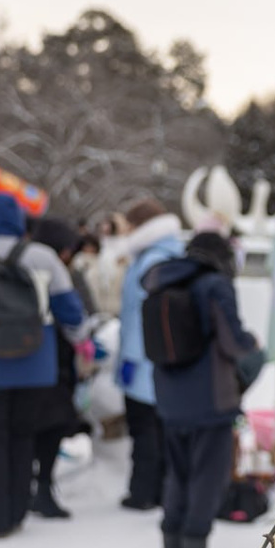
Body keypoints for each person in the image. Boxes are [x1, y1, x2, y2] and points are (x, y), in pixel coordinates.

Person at [0, 195, 85, 537]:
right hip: (34, 365)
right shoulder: (43, 257)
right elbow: (72, 315)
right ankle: (16, 512)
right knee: (21, 437)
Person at [144, 231, 263, 548]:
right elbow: (232, 341)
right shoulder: (214, 284)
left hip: (169, 395)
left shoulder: (163, 281)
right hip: (210, 396)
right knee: (208, 474)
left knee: (177, 473)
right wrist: (251, 342)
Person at [117, 199, 184, 510]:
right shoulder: (170, 254)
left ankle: (143, 492)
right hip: (164, 359)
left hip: (144, 360)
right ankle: (160, 489)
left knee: (144, 430)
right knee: (159, 429)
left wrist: (129, 357)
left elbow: (139, 315)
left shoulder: (149, 261)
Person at [28, 217, 93, 519]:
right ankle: (43, 489)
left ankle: (22, 488)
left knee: (25, 427)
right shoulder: (54, 269)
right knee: (51, 428)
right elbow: (74, 317)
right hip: (54, 361)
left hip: (15, 358)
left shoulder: (15, 260)